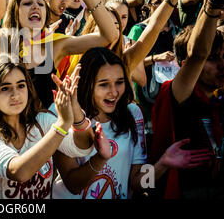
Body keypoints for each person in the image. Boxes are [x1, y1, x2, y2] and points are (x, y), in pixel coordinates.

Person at [51, 47, 212, 199]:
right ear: (87, 84)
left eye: (119, 82)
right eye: (104, 84)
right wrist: (101, 158)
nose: (114, 92)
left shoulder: (133, 113)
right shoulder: (65, 114)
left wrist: (163, 163)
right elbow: (73, 185)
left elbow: (138, 184)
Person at [0, 54, 94, 199]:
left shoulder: (40, 121)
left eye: (21, 85)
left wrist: (75, 108)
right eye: (5, 88)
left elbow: (83, 148)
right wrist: (62, 125)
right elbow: (19, 172)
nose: (16, 95)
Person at [150, 0, 224, 199]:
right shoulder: (175, 95)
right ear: (184, 67)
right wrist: (214, 1)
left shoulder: (217, 99)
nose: (222, 65)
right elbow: (198, 55)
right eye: (214, 59)